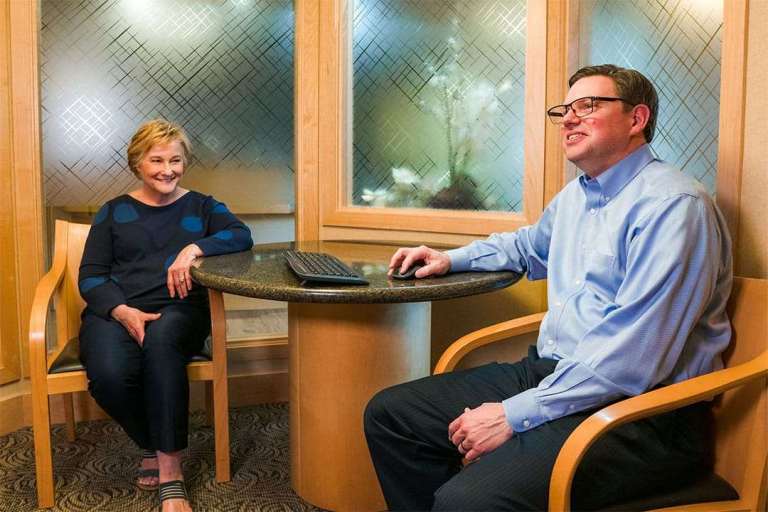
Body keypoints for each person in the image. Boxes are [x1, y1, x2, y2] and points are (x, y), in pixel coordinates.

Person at [364, 64, 733, 511]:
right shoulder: (578, 195)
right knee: (392, 415)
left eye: (588, 105)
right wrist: (451, 258)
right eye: (565, 109)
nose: (569, 118)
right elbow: (526, 246)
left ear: (637, 119)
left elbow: (631, 360)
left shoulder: (674, 206)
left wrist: (513, 414)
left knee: (467, 500)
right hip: (559, 374)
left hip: (645, 413)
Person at [78, 119, 253, 512]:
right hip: (118, 310)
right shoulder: (113, 212)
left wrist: (193, 248)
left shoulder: (203, 207)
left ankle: (170, 473)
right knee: (107, 375)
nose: (167, 170)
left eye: (175, 160)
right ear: (137, 163)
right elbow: (90, 276)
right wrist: (122, 312)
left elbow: (241, 235)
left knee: (161, 345)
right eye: (156, 160)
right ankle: (151, 443)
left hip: (181, 309)